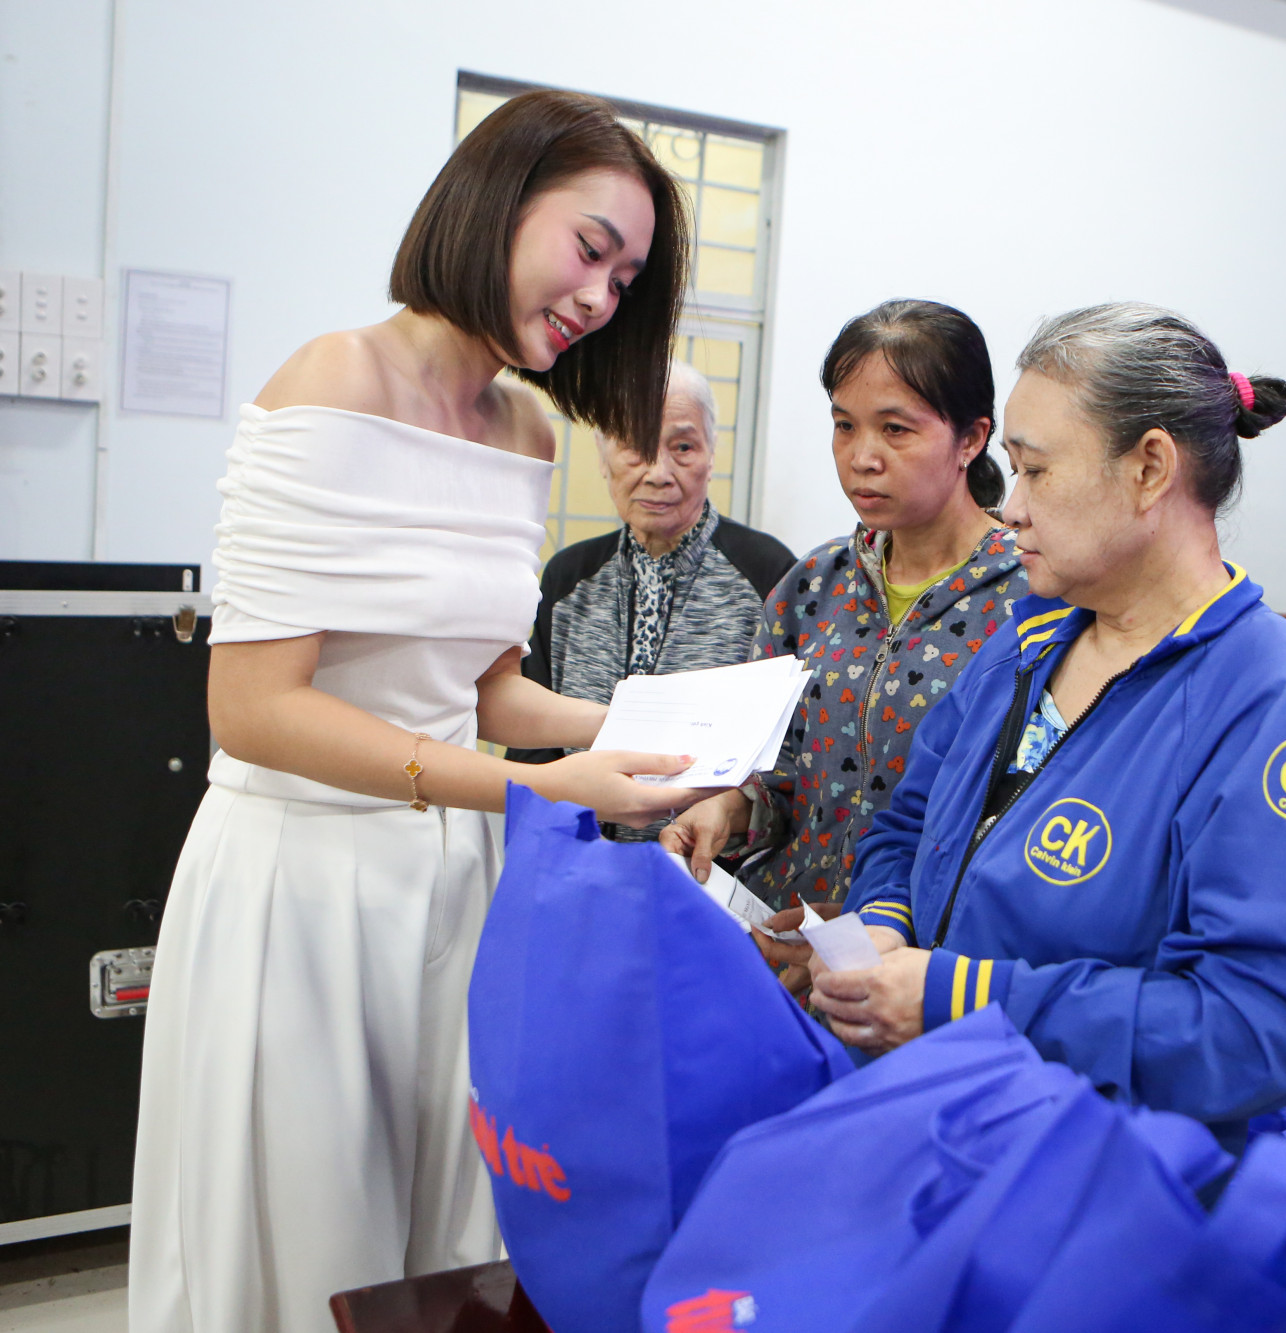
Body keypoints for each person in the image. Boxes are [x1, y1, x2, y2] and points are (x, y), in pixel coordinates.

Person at [130, 91, 710, 1333]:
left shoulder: (521, 428)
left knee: (449, 1234)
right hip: (302, 880)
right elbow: (254, 709)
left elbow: (483, 686)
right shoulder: (334, 378)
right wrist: (533, 787)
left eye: (628, 276)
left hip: (452, 877)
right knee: (312, 1235)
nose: (602, 297)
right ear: (498, 200)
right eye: (590, 248)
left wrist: (628, 728)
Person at [806, 303, 1286, 1150]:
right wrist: (884, 922)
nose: (1012, 508)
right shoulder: (1027, 642)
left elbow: (1251, 1029)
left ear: (1148, 469)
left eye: (1035, 472)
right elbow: (908, 823)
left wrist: (961, 998)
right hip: (945, 1135)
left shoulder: (1268, 702)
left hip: (1095, 1188)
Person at [665, 300, 1028, 924]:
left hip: (927, 956)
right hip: (785, 930)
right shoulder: (813, 586)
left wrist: (887, 924)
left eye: (896, 429)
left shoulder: (1030, 600)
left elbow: (1020, 808)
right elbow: (774, 766)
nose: (862, 456)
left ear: (971, 437)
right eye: (844, 425)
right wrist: (731, 805)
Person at [508, 360, 795, 839]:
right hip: (574, 866)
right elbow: (531, 743)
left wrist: (735, 808)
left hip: (703, 873)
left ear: (711, 455)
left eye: (682, 447)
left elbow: (789, 754)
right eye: (634, 447)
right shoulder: (567, 579)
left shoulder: (770, 574)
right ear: (603, 458)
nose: (658, 472)